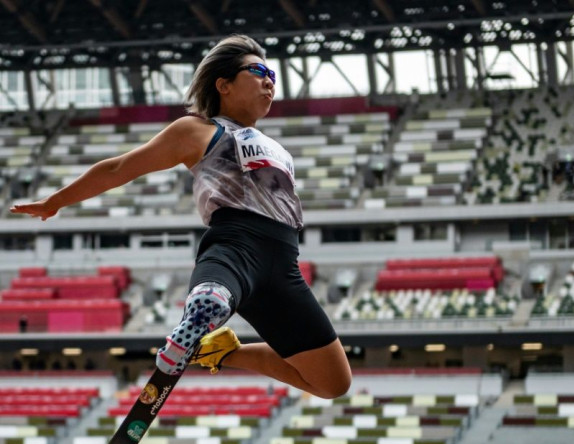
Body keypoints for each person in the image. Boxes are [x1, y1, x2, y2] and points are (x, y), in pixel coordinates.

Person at [10, 34, 352, 400]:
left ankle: (221, 351)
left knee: (334, 383)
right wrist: (55, 202)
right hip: (236, 243)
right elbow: (119, 169)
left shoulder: (280, 151)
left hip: (284, 264)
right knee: (214, 298)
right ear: (223, 84)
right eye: (257, 71)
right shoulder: (197, 130)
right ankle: (207, 301)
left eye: (272, 73)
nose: (269, 79)